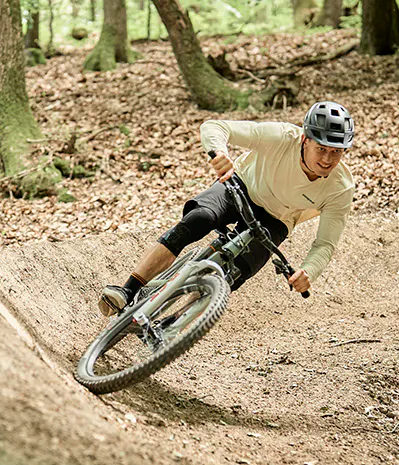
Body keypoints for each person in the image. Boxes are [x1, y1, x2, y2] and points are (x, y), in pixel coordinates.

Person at [97, 101, 356, 316]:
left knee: (236, 273)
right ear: (304, 140)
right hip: (241, 185)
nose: (327, 160)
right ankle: (128, 290)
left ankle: (177, 325)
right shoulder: (281, 138)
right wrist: (218, 152)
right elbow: (216, 127)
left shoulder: (340, 188)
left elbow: (324, 244)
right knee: (199, 218)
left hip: (277, 219)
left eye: (336, 152)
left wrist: (308, 271)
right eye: (321, 149)